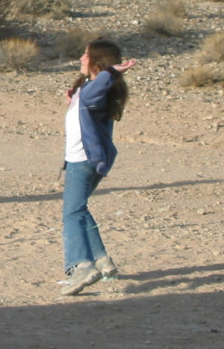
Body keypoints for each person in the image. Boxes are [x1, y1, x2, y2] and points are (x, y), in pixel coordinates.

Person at [59, 38, 136, 296]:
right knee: (79, 209)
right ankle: (102, 261)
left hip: (84, 160)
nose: (81, 58)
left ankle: (81, 266)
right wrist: (74, 99)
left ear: (96, 61)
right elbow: (87, 102)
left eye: (85, 55)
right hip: (83, 159)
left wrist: (111, 72)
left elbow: (94, 93)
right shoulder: (90, 88)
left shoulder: (99, 86)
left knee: (72, 213)